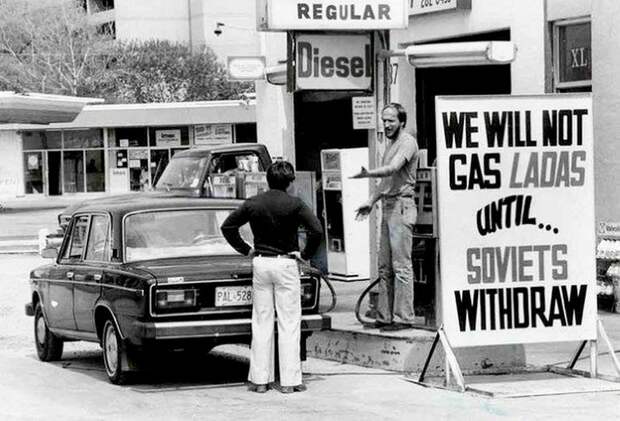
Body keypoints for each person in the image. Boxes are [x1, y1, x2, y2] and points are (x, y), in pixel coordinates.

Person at [220, 160, 323, 393]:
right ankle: (289, 381)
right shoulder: (295, 204)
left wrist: (246, 249)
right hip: (286, 263)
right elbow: (316, 230)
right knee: (289, 322)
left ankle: (260, 380)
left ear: (268, 180)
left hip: (261, 263)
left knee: (261, 321)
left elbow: (228, 227)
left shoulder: (254, 202)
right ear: (290, 182)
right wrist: (305, 254)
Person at [351, 103, 419, 332]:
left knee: (401, 266)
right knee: (384, 266)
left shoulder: (407, 142)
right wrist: (371, 201)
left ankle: (403, 317)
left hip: (402, 206)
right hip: (389, 205)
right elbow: (387, 181)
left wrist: (368, 173)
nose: (387, 125)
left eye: (391, 120)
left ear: (402, 121)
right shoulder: (389, 145)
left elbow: (392, 169)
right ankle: (385, 316)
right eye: (384, 120)